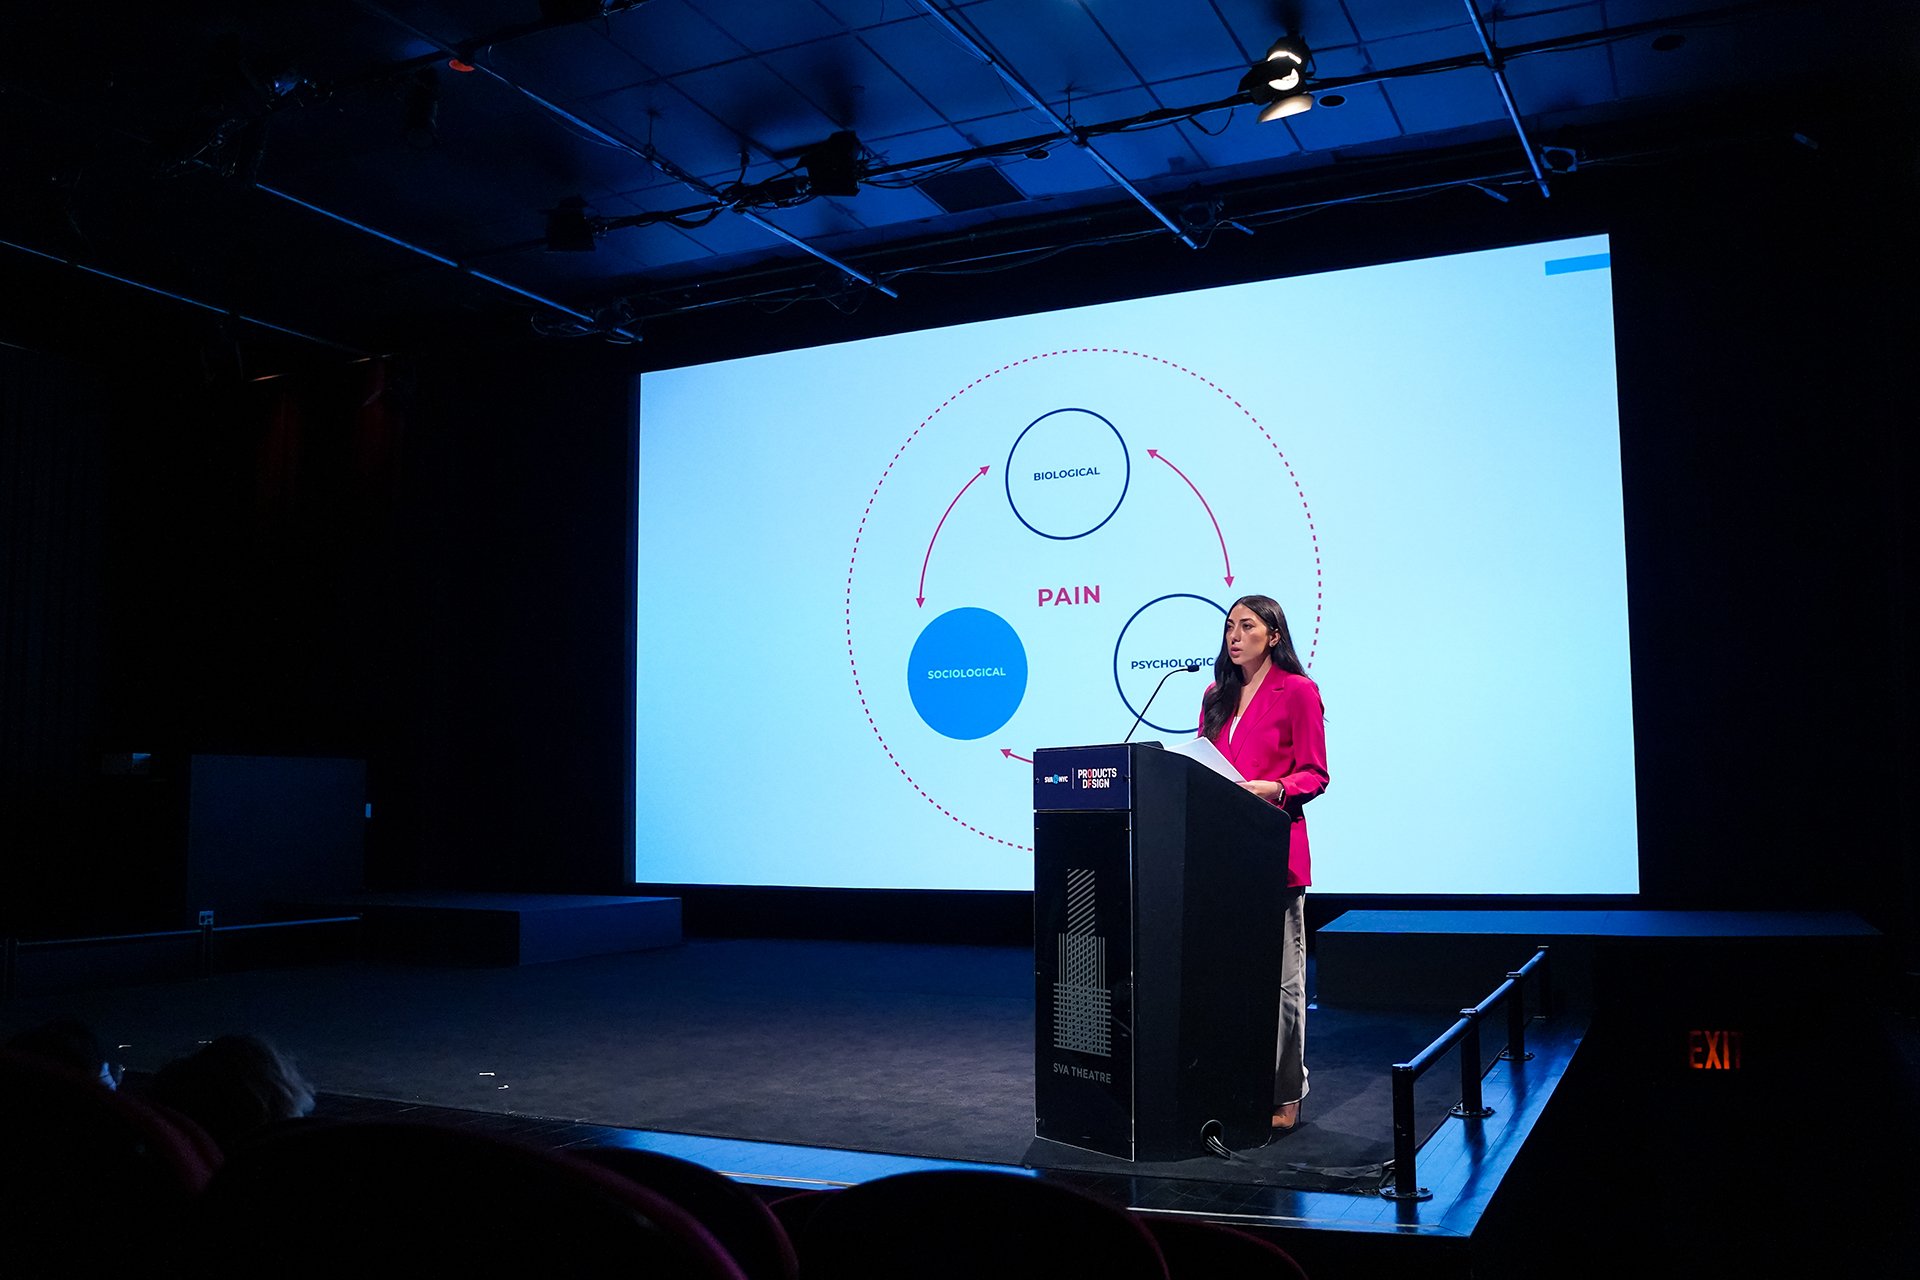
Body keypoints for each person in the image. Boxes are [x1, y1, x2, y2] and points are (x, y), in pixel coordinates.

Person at [1197, 594, 1328, 1136]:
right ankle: (1227, 1079)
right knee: (1221, 977)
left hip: (1273, 851)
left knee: (1281, 981)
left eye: (1246, 626)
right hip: (1218, 856)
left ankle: (1284, 1090)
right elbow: (1200, 766)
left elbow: (1314, 774)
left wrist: (1275, 788)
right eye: (1229, 626)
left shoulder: (1297, 691)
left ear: (1273, 635)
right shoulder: (1214, 695)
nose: (1234, 635)